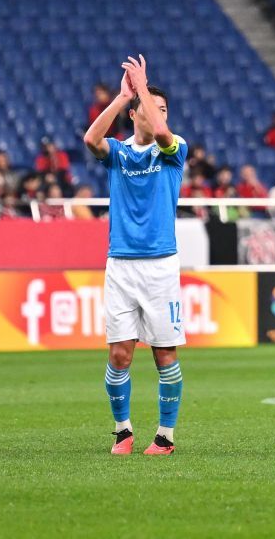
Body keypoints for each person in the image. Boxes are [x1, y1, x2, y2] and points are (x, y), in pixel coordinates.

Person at [83, 56, 188, 456]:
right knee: (119, 353)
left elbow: (162, 135)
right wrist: (123, 96)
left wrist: (144, 90)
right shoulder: (119, 153)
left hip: (161, 265)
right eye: (151, 108)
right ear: (133, 114)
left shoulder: (173, 150)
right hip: (121, 264)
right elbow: (91, 140)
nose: (160, 115)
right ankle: (122, 430)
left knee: (164, 352)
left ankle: (165, 435)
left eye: (165, 109)